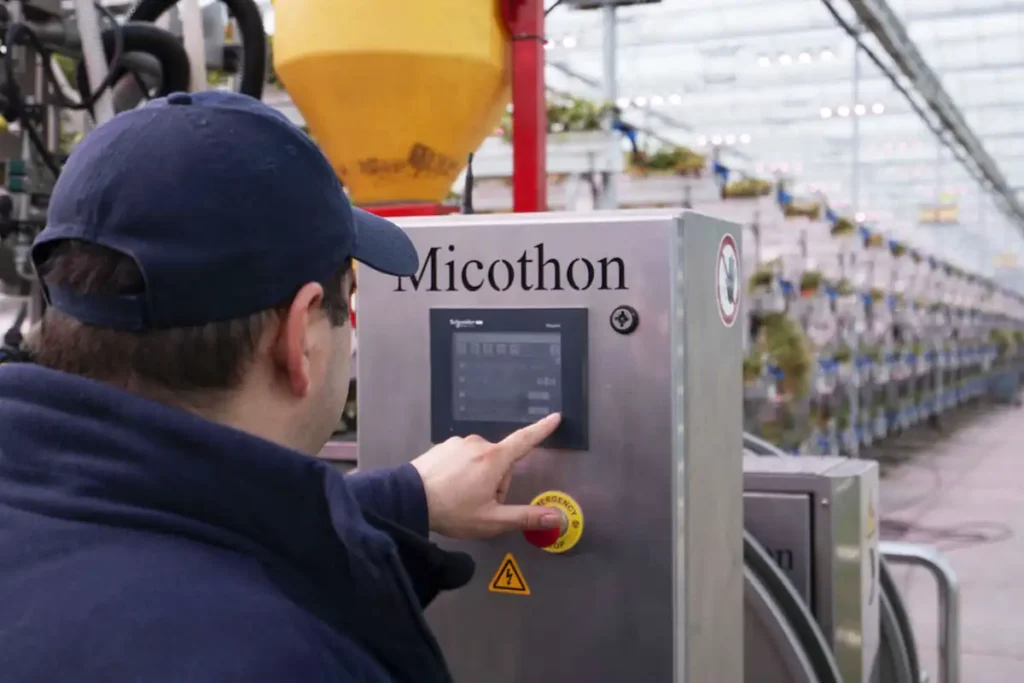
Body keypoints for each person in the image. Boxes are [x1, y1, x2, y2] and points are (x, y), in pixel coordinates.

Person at [0, 91, 565, 682]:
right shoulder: (284, 657)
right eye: (349, 299)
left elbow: (172, 511)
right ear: (299, 338)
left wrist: (408, 497)